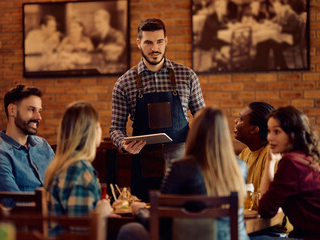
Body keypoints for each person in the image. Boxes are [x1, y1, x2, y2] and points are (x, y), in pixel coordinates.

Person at [117, 107, 249, 240]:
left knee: (128, 230)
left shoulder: (180, 167)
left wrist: (139, 211)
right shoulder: (241, 167)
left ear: (194, 132)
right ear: (224, 134)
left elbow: (161, 223)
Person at [109, 18, 205, 201]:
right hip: (144, 168)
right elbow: (115, 128)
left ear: (166, 41)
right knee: (147, 222)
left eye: (160, 41)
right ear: (139, 43)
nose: (155, 48)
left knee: (182, 223)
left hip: (183, 167)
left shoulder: (187, 76)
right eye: (148, 42)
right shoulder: (124, 83)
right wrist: (123, 143)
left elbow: (203, 118)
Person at [257, 106, 320, 239]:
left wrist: (270, 163)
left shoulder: (291, 162)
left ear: (294, 135)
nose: (270, 137)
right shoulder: (312, 157)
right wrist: (270, 161)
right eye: (269, 131)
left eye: (277, 131)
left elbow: (265, 209)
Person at [44, 102, 115, 236]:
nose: (101, 129)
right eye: (98, 125)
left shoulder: (59, 165)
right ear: (90, 132)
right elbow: (82, 234)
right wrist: (102, 212)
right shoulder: (80, 171)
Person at [0, 84, 54, 192]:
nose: (39, 117)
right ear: (12, 110)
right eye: (31, 110)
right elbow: (16, 203)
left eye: (39, 111)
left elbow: (61, 184)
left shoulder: (43, 145)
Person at [234, 102, 275, 194]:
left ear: (254, 129)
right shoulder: (244, 154)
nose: (235, 121)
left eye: (241, 119)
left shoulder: (272, 156)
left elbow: (269, 198)